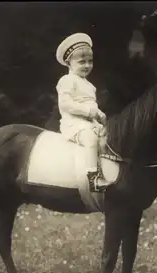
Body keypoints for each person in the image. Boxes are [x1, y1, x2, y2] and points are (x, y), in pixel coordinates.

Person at [55, 32, 110, 193]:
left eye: (90, 62)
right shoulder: (67, 81)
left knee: (109, 137)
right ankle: (93, 179)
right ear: (69, 63)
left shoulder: (89, 85)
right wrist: (89, 111)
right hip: (73, 124)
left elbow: (91, 105)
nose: (87, 66)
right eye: (81, 62)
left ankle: (109, 173)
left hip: (89, 124)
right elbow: (66, 104)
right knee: (90, 138)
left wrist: (100, 114)